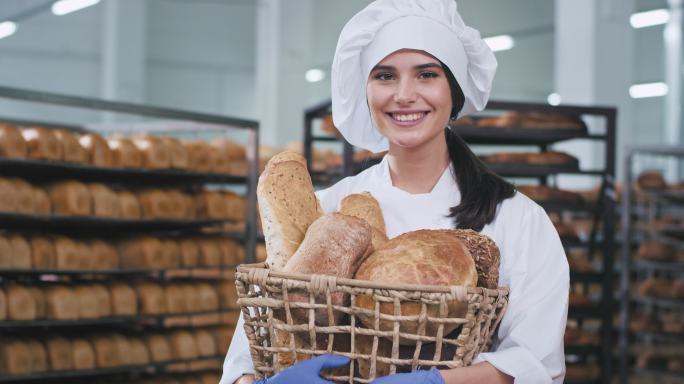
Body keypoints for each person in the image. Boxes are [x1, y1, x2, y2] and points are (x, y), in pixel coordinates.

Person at [221, 0, 569, 383]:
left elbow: (536, 366)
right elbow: (246, 358)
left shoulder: (517, 219)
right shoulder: (331, 209)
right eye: (385, 76)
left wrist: (432, 382)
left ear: (454, 90)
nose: (404, 95)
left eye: (426, 75)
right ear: (365, 90)